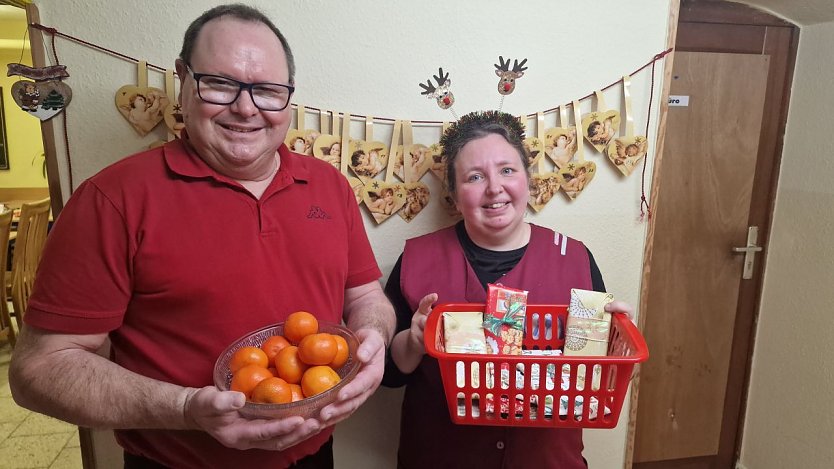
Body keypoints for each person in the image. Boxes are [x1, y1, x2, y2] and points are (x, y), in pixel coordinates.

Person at [9, 5, 395, 469]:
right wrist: (187, 409)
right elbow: (39, 370)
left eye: (268, 91)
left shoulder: (330, 185)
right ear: (183, 80)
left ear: (288, 99)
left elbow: (366, 296)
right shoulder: (111, 200)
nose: (246, 107)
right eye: (220, 83)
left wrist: (373, 339)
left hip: (315, 457)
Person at [381, 110, 632, 468]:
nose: (494, 187)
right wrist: (414, 341)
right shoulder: (416, 260)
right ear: (453, 193)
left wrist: (617, 343)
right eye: (474, 176)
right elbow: (388, 375)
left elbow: (597, 382)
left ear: (527, 180)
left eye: (507, 170)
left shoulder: (575, 258)